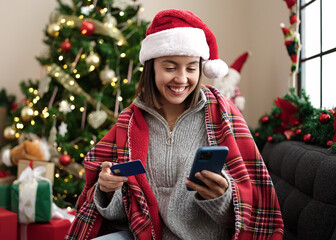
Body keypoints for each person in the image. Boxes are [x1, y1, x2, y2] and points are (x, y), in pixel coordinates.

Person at [66, 9, 284, 240]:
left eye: (191, 68)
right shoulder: (130, 122)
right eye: (170, 67)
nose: (181, 78)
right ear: (152, 67)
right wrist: (108, 190)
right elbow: (117, 215)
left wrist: (222, 198)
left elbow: (248, 213)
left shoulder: (223, 114)